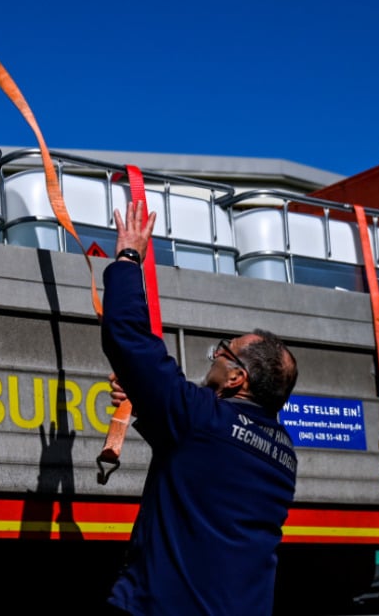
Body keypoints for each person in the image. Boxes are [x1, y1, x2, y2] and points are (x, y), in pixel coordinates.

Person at [101, 200, 299, 615]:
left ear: (236, 379)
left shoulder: (201, 421)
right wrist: (148, 405)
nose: (213, 357)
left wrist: (128, 258)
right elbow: (203, 468)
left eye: (221, 353)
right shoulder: (282, 453)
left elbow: (129, 338)